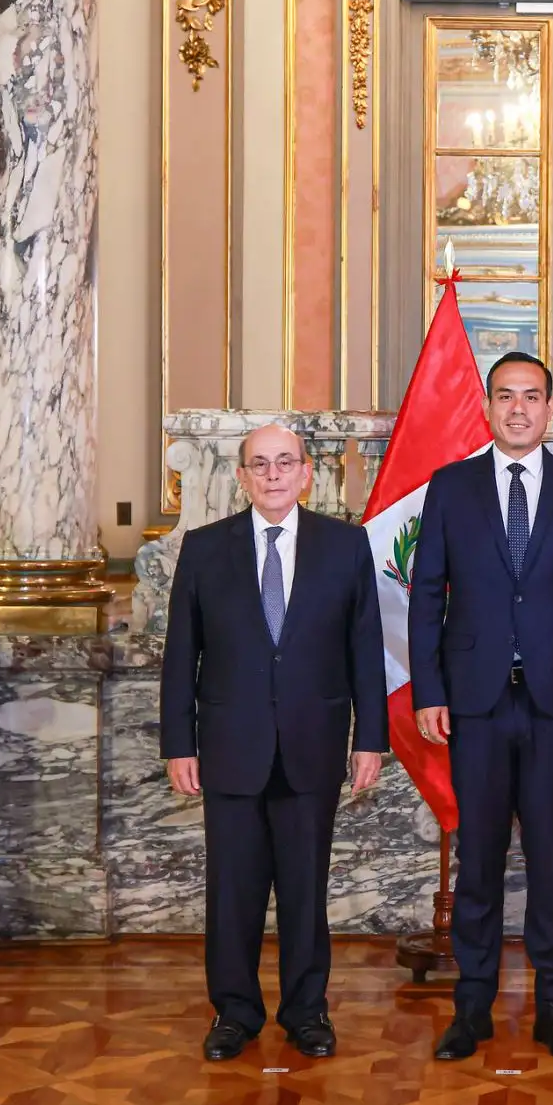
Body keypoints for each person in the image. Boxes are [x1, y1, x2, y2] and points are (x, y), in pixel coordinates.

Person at [408, 351, 553, 1062]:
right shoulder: (451, 486)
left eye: (532, 396)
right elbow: (426, 595)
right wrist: (430, 690)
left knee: (552, 856)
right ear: (487, 407)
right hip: (474, 702)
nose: (518, 408)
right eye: (505, 395)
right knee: (478, 857)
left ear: (550, 410)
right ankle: (471, 1008)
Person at [160, 424, 388, 1062]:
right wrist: (179, 743)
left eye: (285, 462)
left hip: (313, 746)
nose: (273, 474)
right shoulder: (205, 549)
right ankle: (234, 1013)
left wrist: (370, 739)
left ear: (307, 473)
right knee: (232, 891)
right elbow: (181, 656)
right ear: (242, 478)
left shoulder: (346, 545)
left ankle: (306, 1012)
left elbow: (365, 649)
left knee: (304, 890)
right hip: (229, 748)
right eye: (259, 464)